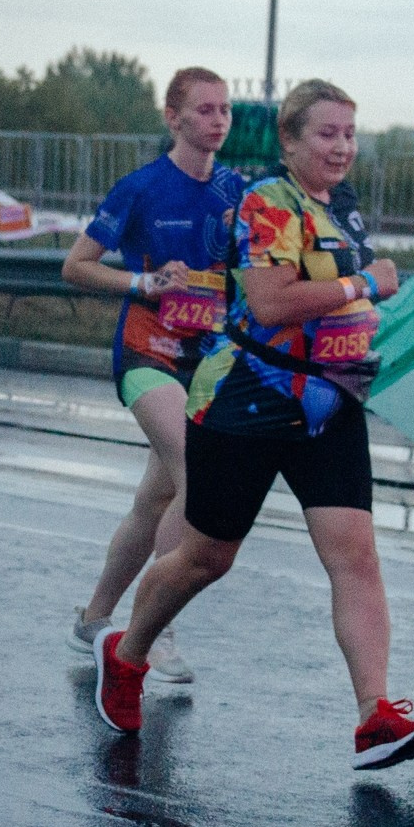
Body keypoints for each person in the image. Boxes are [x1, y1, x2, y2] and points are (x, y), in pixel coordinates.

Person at [90, 79, 414, 771]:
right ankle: (126, 653)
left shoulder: (341, 206)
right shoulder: (267, 202)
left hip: (329, 401)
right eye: (326, 133)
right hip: (245, 399)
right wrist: (363, 283)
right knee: (205, 558)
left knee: (356, 556)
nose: (342, 147)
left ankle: (374, 714)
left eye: (350, 133)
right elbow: (271, 302)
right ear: (289, 140)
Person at [61, 67, 245, 683]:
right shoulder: (140, 187)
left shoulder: (237, 191)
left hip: (210, 363)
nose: (217, 120)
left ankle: (93, 617)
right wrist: (143, 282)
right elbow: (76, 265)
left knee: (154, 501)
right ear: (173, 117)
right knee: (197, 472)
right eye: (204, 109)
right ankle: (156, 630)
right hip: (148, 354)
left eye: (224, 109)